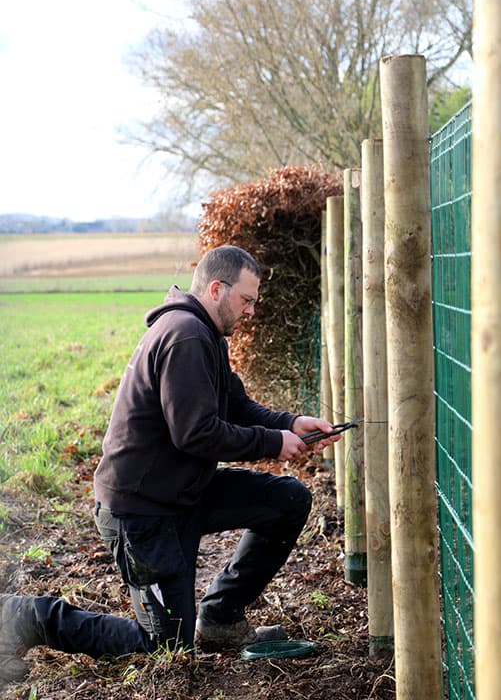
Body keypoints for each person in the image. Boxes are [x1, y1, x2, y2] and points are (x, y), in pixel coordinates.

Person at [0, 244, 338, 684]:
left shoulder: (206, 335)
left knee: (287, 500)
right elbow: (196, 433)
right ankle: (25, 616)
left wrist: (290, 422)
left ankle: (219, 616)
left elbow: (234, 404)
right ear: (217, 288)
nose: (252, 311)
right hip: (141, 514)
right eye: (247, 300)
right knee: (165, 645)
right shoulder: (186, 336)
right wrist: (275, 443)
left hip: (183, 494)